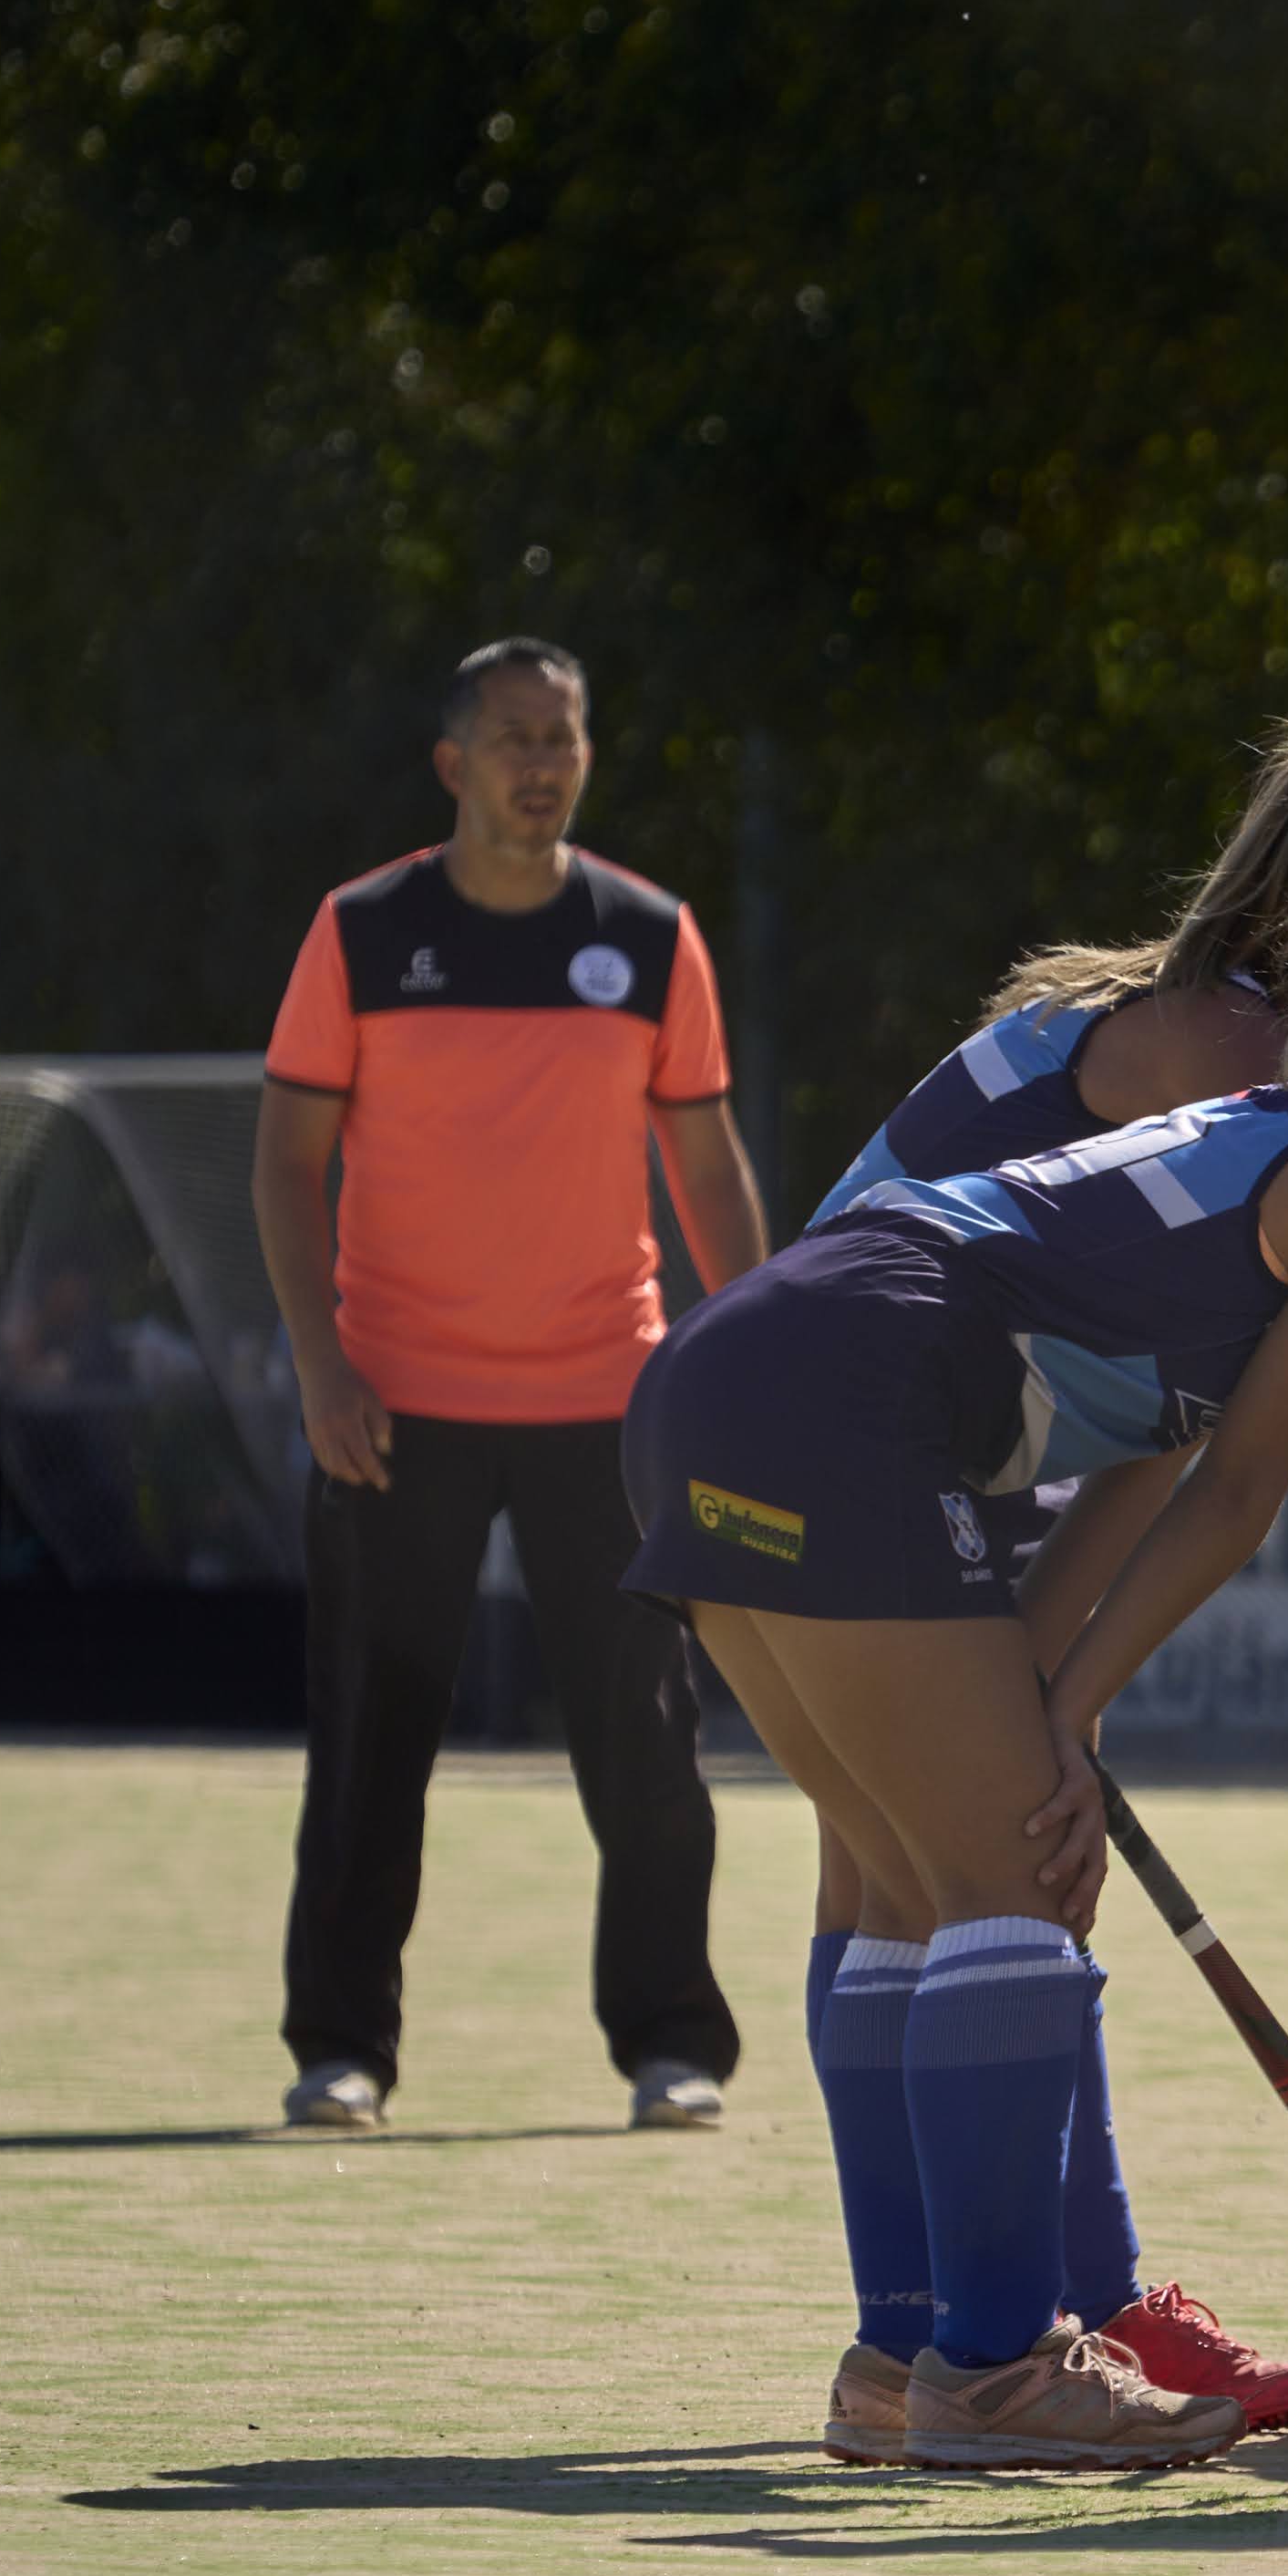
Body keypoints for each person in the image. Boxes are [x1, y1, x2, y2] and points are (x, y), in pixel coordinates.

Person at [621, 899, 1288, 2469]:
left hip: (726, 1375)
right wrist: (1065, 1723)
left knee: (905, 1885)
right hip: (846, 1389)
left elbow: (1205, 1447)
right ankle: (1002, 2366)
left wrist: (1052, 1692)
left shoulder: (1276, 1138)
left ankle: (905, 2356)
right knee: (1018, 1881)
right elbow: (1238, 1493)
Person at [254, 636, 769, 2135]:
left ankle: (673, 2043)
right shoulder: (359, 933)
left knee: (649, 1748)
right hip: (390, 1411)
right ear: (453, 764)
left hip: (606, 1406)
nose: (543, 765)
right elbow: (287, 1165)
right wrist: (320, 1363)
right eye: (514, 738)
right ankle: (340, 2049)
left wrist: (747, 1357)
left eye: (565, 739)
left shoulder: (652, 936)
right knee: (370, 1747)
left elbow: (708, 1168)